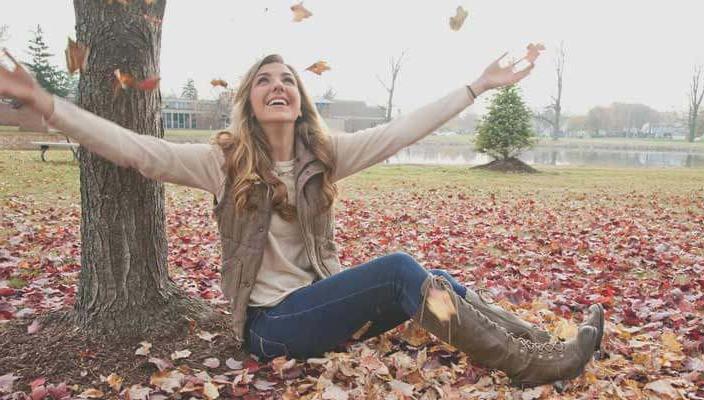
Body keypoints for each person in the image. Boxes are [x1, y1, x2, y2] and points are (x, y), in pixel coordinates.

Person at [0, 47, 603, 388]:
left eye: (287, 79)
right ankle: (528, 368)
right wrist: (49, 105)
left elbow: (400, 131)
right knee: (398, 270)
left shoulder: (325, 157)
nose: (277, 85)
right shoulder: (224, 162)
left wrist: (476, 86)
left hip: (323, 311)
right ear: (250, 103)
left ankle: (538, 344)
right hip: (272, 328)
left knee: (430, 277)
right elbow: (139, 151)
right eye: (264, 81)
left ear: (300, 99)